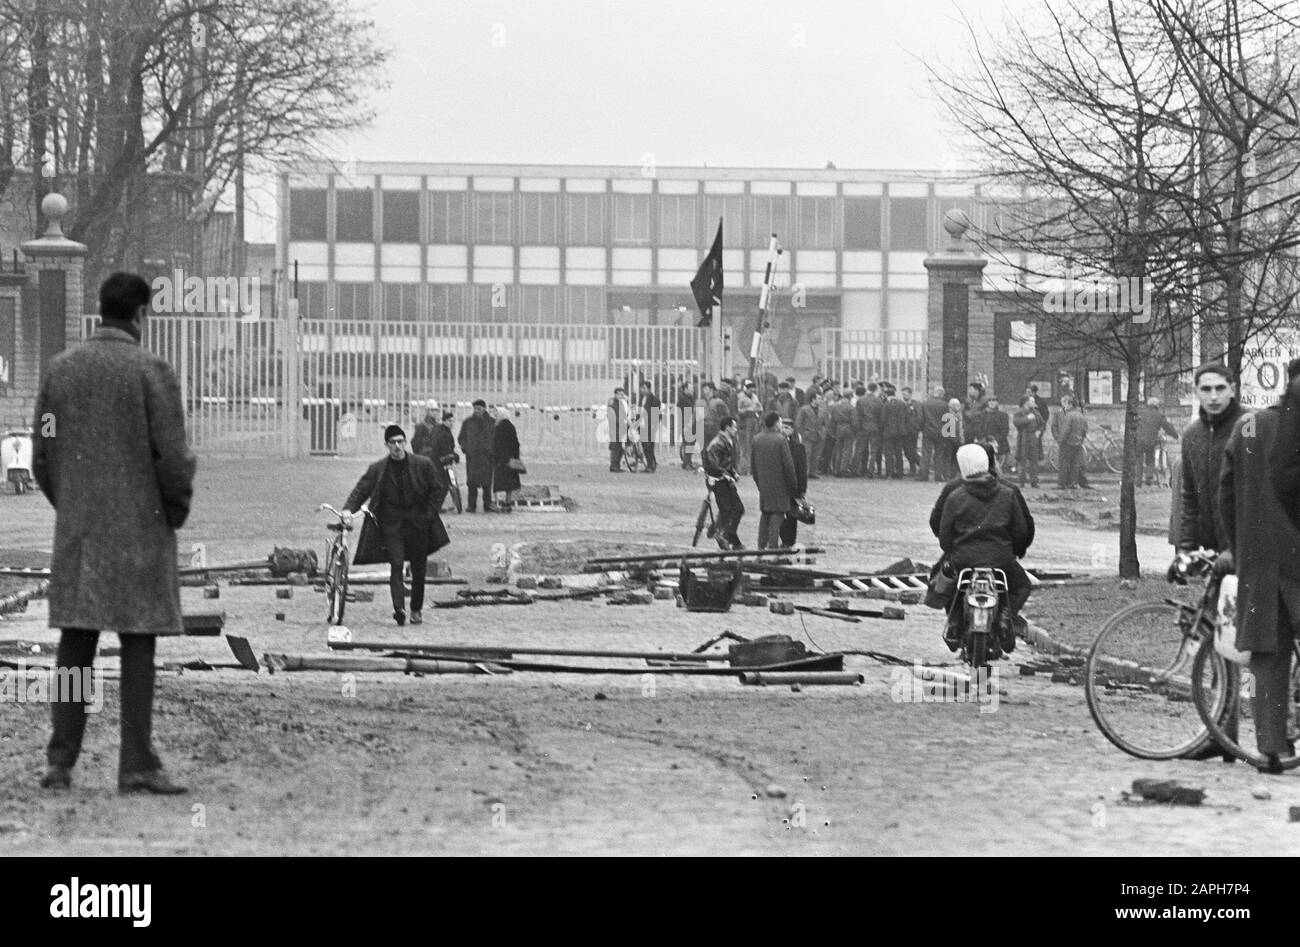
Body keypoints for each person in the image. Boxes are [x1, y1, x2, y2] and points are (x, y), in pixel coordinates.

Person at [33, 272, 197, 795]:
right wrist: (171, 512)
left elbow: (44, 447)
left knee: (76, 641)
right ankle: (137, 763)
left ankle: (60, 761)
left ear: (101, 309)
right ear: (141, 315)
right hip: (140, 529)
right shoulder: (153, 372)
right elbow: (173, 456)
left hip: (80, 528)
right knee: (138, 641)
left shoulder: (60, 372)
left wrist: (72, 504)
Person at [1218, 371, 1300, 773]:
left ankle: (1271, 750)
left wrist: (1239, 551)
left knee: (1268, 654)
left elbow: (1225, 493)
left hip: (1258, 560)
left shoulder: (1246, 425)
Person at [343, 424, 448, 626]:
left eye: (400, 441)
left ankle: (416, 609)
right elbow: (361, 490)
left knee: (418, 570)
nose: (397, 446)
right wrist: (348, 509)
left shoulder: (422, 464)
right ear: (387, 445)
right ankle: (399, 609)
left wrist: (428, 515)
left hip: (418, 525)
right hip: (392, 527)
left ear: (405, 442)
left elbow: (437, 489)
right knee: (396, 565)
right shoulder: (378, 469)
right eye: (392, 443)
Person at [933, 444, 1034, 654]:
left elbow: (944, 534)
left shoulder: (955, 495)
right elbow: (1022, 530)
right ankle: (1007, 615)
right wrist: (1012, 551)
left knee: (947, 583)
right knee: (1023, 585)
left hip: (963, 560)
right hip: (1001, 560)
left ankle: (954, 622)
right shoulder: (1008, 493)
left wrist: (952, 550)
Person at [750, 411, 800, 549]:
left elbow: (753, 466)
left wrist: (759, 483)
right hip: (780, 485)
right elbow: (788, 466)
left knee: (765, 514)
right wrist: (793, 485)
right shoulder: (780, 440)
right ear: (775, 423)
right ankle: (772, 547)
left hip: (764, 484)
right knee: (777, 516)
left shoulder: (756, 439)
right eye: (780, 422)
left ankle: (761, 546)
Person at [703, 416, 744, 550]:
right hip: (718, 481)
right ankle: (722, 534)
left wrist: (733, 473)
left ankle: (725, 533)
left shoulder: (727, 441)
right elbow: (713, 465)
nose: (736, 429)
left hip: (726, 479)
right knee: (727, 509)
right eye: (734, 426)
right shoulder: (716, 443)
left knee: (737, 508)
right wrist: (727, 475)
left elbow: (726, 463)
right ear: (727, 427)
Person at [457, 398, 496, 511]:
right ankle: (471, 505)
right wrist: (466, 449)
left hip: (486, 457)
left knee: (487, 483)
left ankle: (487, 504)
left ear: (484, 409)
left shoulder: (491, 422)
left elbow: (496, 439)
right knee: (472, 482)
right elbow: (461, 438)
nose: (476, 411)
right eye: (475, 409)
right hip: (472, 456)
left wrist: (491, 451)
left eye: (479, 408)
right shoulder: (468, 422)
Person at [778, 415, 810, 548]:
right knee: (781, 515)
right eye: (782, 427)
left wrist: (802, 489)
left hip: (794, 486)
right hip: (781, 485)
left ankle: (790, 540)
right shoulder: (778, 444)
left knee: (792, 515)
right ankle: (784, 540)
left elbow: (802, 469)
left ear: (792, 430)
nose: (784, 430)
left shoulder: (798, 447)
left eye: (787, 428)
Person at [1134, 396, 1180, 486]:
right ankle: (1148, 479)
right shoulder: (1159, 415)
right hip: (1150, 441)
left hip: (1139, 439)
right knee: (1150, 459)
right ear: (1156, 405)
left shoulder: (1141, 413)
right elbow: (1167, 427)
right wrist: (1176, 436)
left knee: (1138, 460)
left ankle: (1138, 482)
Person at [1053, 395, 1090, 489]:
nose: (1063, 405)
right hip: (1078, 442)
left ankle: (1062, 484)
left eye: (1065, 403)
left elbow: (1066, 430)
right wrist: (1081, 439)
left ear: (1069, 404)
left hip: (1067, 442)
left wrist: (1061, 441)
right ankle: (1072, 483)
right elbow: (1085, 429)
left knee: (1063, 463)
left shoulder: (1069, 415)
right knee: (1075, 464)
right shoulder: (1080, 415)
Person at [491, 406, 522, 509]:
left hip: (500, 459)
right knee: (509, 484)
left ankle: (498, 503)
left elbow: (495, 444)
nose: (495, 416)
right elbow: (516, 443)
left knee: (500, 482)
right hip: (510, 458)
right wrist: (516, 456)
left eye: (497, 414)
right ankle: (508, 502)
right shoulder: (511, 426)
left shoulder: (498, 427)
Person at [1013, 395, 1043, 488]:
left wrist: (1039, 431)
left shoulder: (1036, 412)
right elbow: (1016, 422)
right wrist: (1027, 418)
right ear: (1026, 402)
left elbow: (1042, 424)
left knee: (1034, 460)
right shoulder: (1019, 412)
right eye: (1032, 401)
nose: (1034, 403)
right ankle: (1021, 481)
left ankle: (1034, 482)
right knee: (1022, 460)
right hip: (1023, 437)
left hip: (1033, 438)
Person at [919, 385, 948, 482]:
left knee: (926, 453)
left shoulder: (925, 404)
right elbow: (947, 419)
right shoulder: (945, 405)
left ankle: (924, 475)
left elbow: (921, 419)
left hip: (928, 432)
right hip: (941, 433)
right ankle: (938, 476)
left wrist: (922, 429)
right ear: (942, 394)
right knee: (939, 454)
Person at [855, 383, 883, 478]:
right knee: (873, 451)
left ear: (868, 389)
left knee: (860, 449)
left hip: (863, 427)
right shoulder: (878, 401)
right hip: (874, 427)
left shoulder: (861, 400)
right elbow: (880, 416)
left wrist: (858, 427)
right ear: (875, 390)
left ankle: (856, 469)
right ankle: (871, 471)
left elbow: (858, 416)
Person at [881, 386, 910, 479]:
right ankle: (900, 473)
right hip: (900, 432)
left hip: (888, 432)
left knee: (888, 454)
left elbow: (883, 419)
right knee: (898, 453)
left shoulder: (886, 404)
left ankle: (889, 473)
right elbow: (906, 417)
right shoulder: (902, 404)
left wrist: (883, 429)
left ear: (886, 395)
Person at [794, 389, 822, 481]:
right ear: (813, 399)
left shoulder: (821, 410)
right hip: (807, 435)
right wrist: (803, 433)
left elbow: (825, 422)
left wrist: (823, 431)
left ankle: (812, 472)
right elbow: (798, 423)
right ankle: (805, 472)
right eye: (818, 398)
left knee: (815, 454)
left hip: (818, 435)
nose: (820, 400)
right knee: (807, 454)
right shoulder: (804, 409)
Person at [830, 388, 859, 476]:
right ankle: (843, 469)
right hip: (848, 429)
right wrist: (856, 430)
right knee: (847, 450)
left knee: (839, 450)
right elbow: (854, 422)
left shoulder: (836, 406)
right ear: (850, 397)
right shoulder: (851, 408)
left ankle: (836, 469)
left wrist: (834, 431)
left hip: (839, 428)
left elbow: (833, 420)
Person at [736, 379, 761, 476]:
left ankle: (750, 468)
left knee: (752, 446)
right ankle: (742, 469)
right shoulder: (740, 397)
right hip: (744, 423)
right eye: (750, 389)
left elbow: (759, 407)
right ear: (746, 389)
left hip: (753, 423)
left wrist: (758, 410)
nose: (752, 391)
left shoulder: (755, 397)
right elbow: (737, 410)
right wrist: (747, 410)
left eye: (753, 389)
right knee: (743, 447)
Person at [638, 380, 661, 473]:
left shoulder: (655, 400)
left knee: (649, 446)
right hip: (642, 425)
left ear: (649, 389)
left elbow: (656, 415)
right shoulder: (641, 399)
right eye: (641, 388)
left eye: (644, 388)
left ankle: (651, 466)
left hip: (650, 426)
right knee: (645, 446)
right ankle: (650, 464)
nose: (642, 390)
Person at [606, 386, 630, 472]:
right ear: (616, 394)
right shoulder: (613, 403)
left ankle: (617, 466)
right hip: (615, 428)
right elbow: (612, 417)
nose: (622, 396)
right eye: (620, 394)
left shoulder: (621, 403)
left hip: (621, 428)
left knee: (620, 447)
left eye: (623, 394)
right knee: (615, 447)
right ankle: (614, 466)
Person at [899, 386, 922, 477]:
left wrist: (916, 428)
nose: (903, 395)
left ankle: (922, 465)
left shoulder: (916, 404)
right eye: (903, 394)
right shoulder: (902, 404)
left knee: (911, 450)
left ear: (910, 394)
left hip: (912, 432)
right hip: (905, 432)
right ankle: (913, 469)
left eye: (905, 394)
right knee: (907, 451)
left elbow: (919, 417)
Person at [986, 397, 1011, 473]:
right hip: (987, 443)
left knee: (999, 466)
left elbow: (1005, 430)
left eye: (994, 401)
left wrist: (996, 440)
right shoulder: (983, 415)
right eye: (989, 400)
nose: (991, 402)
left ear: (997, 403)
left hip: (1000, 444)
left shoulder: (1003, 415)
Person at [676, 379, 698, 469]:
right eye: (690, 389)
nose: (692, 390)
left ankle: (687, 462)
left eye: (692, 388)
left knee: (689, 444)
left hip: (688, 425)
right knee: (689, 444)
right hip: (688, 425)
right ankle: (687, 463)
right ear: (685, 389)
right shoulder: (684, 400)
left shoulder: (688, 398)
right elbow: (689, 413)